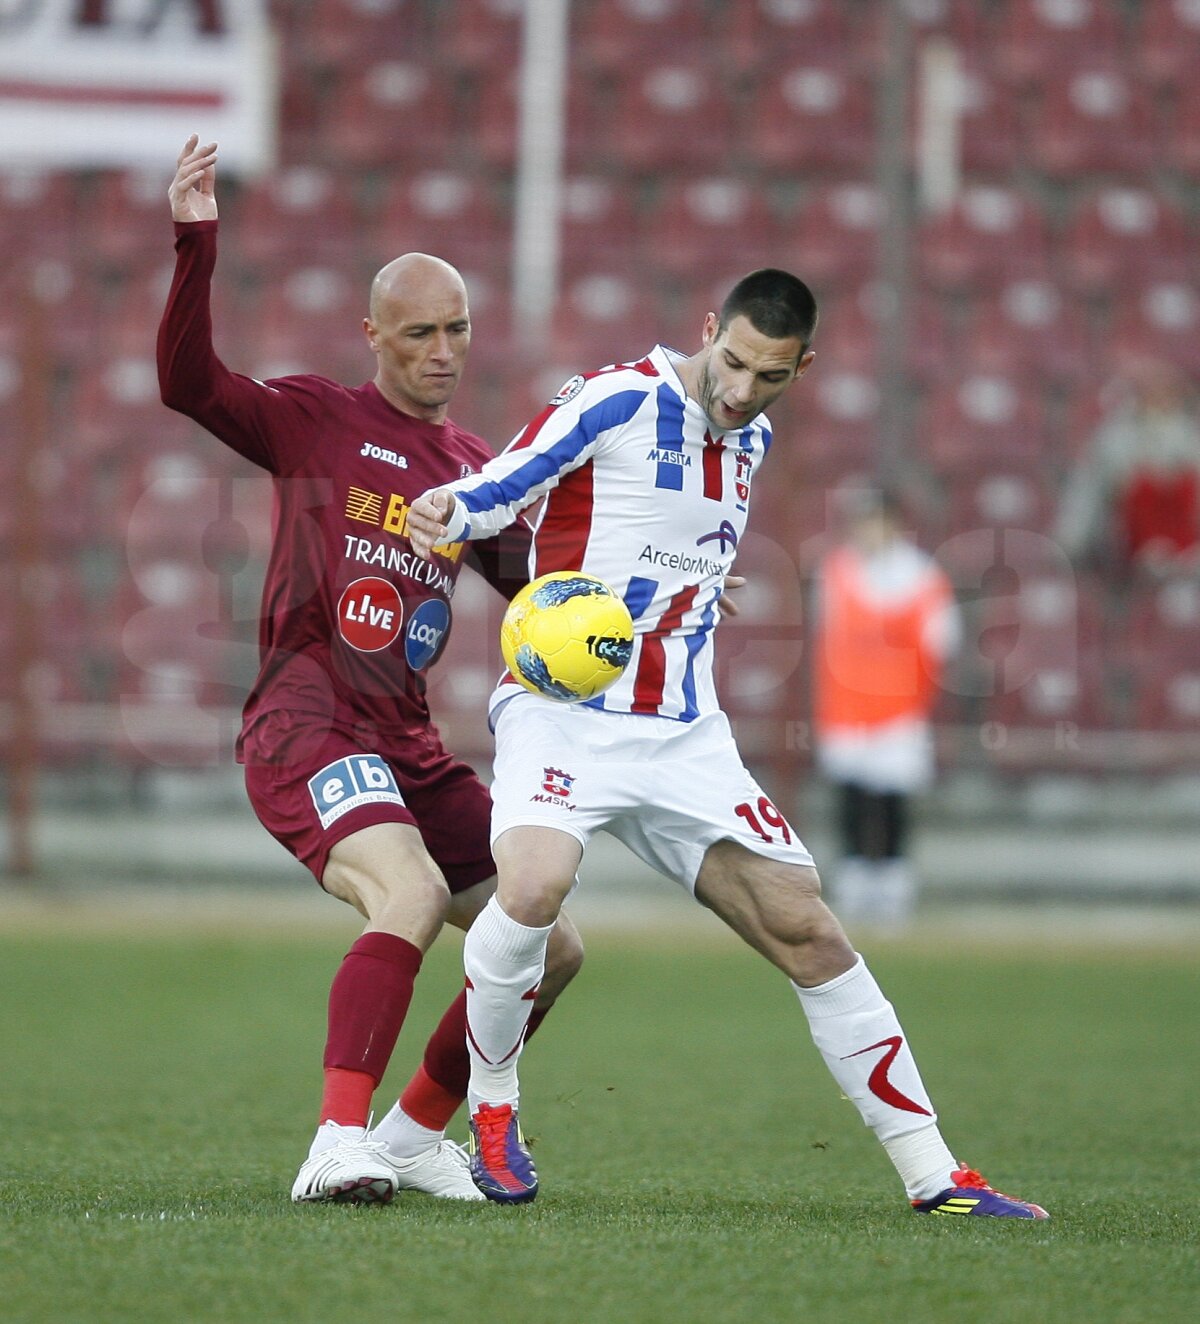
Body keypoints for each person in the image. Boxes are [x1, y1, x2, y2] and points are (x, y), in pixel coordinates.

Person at [406, 270, 1048, 1218]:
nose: (743, 390)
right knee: (533, 888)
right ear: (710, 329)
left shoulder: (754, 438)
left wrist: (702, 591)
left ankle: (935, 1175)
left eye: (770, 376)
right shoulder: (618, 396)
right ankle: (493, 1112)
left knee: (808, 930)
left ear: (802, 369)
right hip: (563, 711)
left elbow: (676, 542)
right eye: (734, 363)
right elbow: (511, 480)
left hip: (683, 734)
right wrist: (449, 510)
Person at [157, 135, 583, 1205]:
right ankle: (334, 1141)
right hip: (308, 725)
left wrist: (653, 586)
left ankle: (410, 1134)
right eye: (421, 332)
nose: (443, 351)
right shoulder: (318, 421)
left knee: (550, 944)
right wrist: (196, 240)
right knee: (411, 892)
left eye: (458, 330)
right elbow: (188, 383)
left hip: (408, 743)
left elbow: (544, 591)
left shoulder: (472, 471)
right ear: (375, 336)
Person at [811, 482, 961, 928]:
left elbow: (941, 642)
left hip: (899, 710)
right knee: (852, 797)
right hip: (846, 709)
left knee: (893, 798)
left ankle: (894, 884)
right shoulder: (836, 571)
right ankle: (853, 879)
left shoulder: (922, 577)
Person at [1055, 357, 1200, 580]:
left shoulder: (1191, 438)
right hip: (1131, 550)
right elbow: (1087, 492)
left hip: (1188, 548)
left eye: (1166, 393)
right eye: (1152, 393)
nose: (1159, 400)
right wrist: (1070, 540)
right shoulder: (1114, 440)